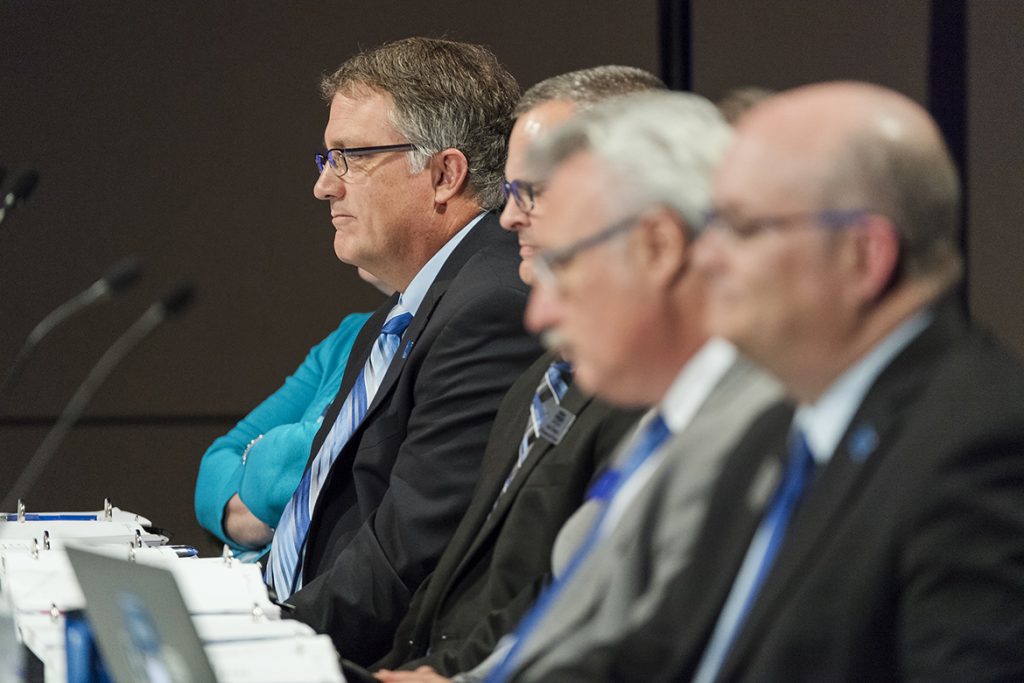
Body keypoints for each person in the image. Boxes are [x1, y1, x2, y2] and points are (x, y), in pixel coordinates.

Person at [622, 82, 1024, 681]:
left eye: (742, 227)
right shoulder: (772, 430)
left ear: (864, 256)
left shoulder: (980, 445)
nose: (705, 258)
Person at [375, 91, 781, 683]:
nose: (539, 314)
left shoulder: (755, 438)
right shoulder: (667, 427)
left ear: (659, 246)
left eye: (562, 265)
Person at [345, 66, 662, 682]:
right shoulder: (534, 381)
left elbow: (565, 604)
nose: (509, 217)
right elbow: (467, 585)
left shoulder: (644, 389)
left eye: (531, 192)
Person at [262, 37, 543, 666]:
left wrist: (262, 643)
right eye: (326, 158)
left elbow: (406, 555)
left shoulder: (490, 308)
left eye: (349, 158)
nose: (324, 186)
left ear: (444, 175)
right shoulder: (398, 315)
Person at [195, 270, 388, 557]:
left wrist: (261, 465)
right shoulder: (351, 334)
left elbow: (283, 466)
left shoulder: (434, 344)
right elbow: (212, 472)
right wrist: (289, 517)